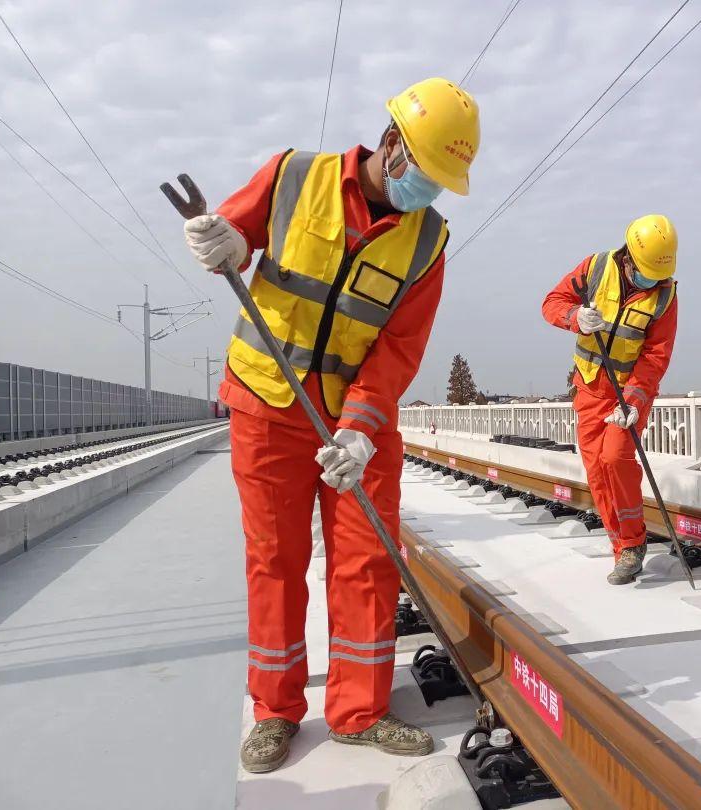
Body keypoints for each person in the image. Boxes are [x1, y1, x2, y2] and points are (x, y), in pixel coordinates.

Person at [181, 78, 480, 773]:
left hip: (355, 421)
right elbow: (236, 235)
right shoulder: (294, 176)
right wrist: (222, 236)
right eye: (426, 174)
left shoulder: (427, 242)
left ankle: (358, 712)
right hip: (268, 405)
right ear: (390, 145)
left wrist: (361, 428)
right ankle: (275, 712)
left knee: (368, 563)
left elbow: (399, 346)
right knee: (275, 559)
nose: (428, 192)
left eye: (442, 182)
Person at [541, 215, 678, 585]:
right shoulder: (596, 267)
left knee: (615, 457)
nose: (651, 281)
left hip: (629, 393)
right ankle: (622, 552)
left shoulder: (664, 296)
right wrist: (574, 316)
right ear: (629, 256)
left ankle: (634, 543)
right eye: (645, 272)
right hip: (589, 389)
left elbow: (655, 355)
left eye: (657, 275)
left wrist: (634, 399)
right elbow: (551, 301)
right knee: (598, 475)